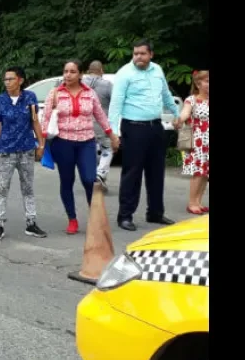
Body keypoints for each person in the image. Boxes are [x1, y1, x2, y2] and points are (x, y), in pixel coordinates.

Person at [107, 39, 180, 231]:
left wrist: (178, 115)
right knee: (132, 172)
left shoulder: (157, 70)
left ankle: (155, 213)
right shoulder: (125, 73)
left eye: (142, 53)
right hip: (134, 127)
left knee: (156, 172)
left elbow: (165, 95)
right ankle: (125, 216)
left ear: (151, 54)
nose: (138, 57)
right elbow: (116, 105)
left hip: (156, 127)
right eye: (135, 53)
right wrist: (114, 133)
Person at [42, 60, 119, 234]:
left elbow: (100, 115)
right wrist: (42, 143)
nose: (68, 75)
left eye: (72, 72)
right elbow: (45, 119)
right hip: (63, 143)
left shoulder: (89, 93)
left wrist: (112, 135)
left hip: (86, 142)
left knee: (89, 179)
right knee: (67, 181)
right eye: (65, 71)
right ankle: (72, 219)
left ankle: (95, 217)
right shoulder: (55, 93)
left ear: (80, 74)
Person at [0, 66, 47, 240]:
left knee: (28, 187)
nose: (7, 83)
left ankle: (31, 222)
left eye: (11, 79)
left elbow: (35, 121)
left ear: (20, 80)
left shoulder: (30, 98)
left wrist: (41, 144)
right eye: (5, 79)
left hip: (26, 149)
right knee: (1, 188)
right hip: (6, 150)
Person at [178, 70, 209, 214]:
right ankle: (192, 203)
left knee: (205, 173)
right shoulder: (192, 99)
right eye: (207, 81)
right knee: (198, 172)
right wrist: (180, 120)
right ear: (198, 84)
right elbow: (185, 113)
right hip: (198, 141)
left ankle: (198, 202)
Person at [81, 60, 115, 189]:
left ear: (89, 70)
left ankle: (93, 175)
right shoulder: (107, 85)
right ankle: (100, 173)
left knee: (91, 149)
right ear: (101, 70)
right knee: (107, 147)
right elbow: (115, 103)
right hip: (102, 123)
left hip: (84, 123)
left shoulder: (81, 83)